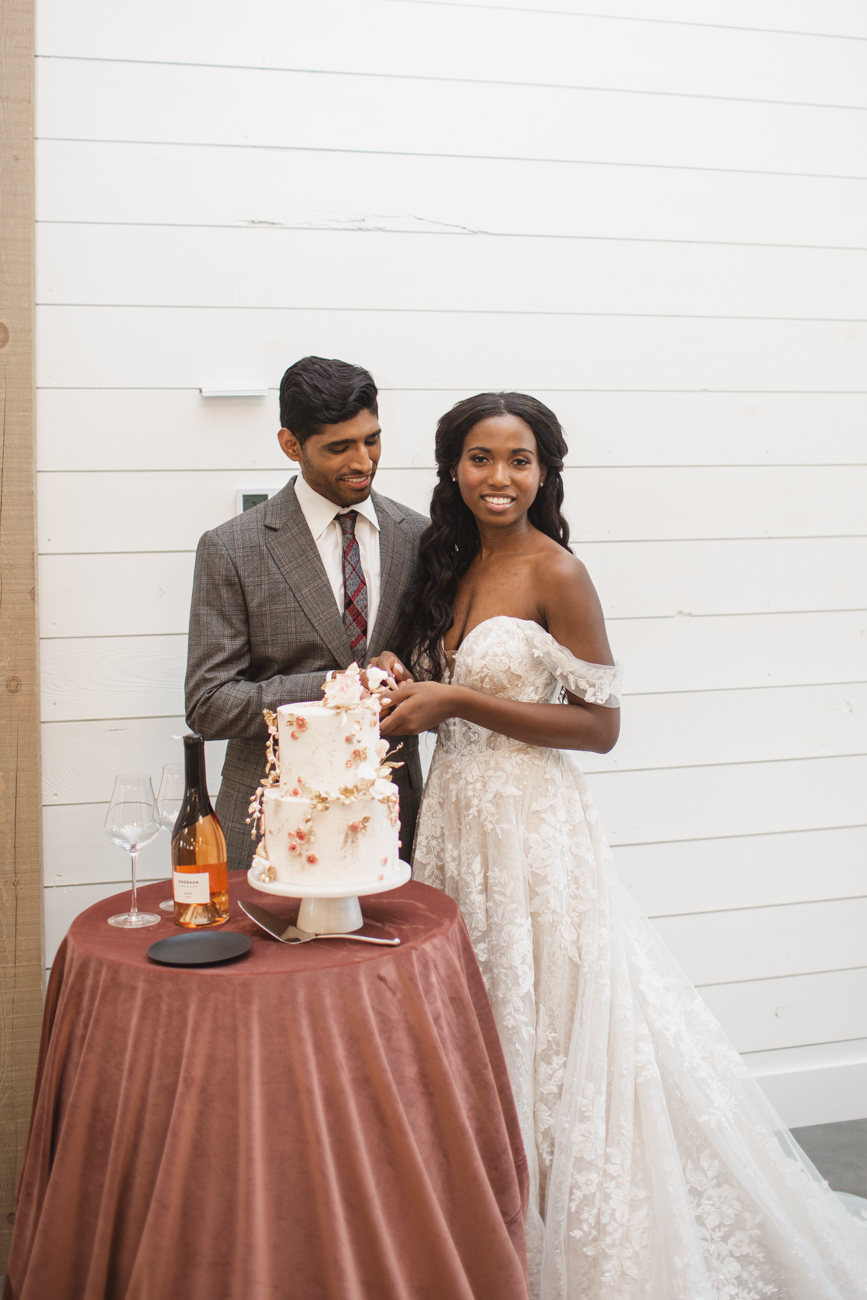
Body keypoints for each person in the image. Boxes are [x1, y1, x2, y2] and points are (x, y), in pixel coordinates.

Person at [379, 392, 867, 1299]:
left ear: (544, 472)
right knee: (484, 1024)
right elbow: (435, 684)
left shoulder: (555, 572)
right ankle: (488, 1219)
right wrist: (408, 678)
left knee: (554, 1028)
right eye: (481, 458)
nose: (500, 478)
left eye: (519, 460)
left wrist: (458, 703)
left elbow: (599, 727)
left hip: (534, 833)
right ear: (452, 467)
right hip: (455, 826)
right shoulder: (441, 565)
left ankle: (571, 1234)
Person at [185, 355, 427, 870]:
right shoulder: (231, 548)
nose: (362, 461)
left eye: (372, 439)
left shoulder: (420, 537)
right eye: (339, 447)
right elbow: (208, 704)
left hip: (394, 822)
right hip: (270, 825)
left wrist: (409, 673)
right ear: (290, 445)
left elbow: (435, 669)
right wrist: (343, 684)